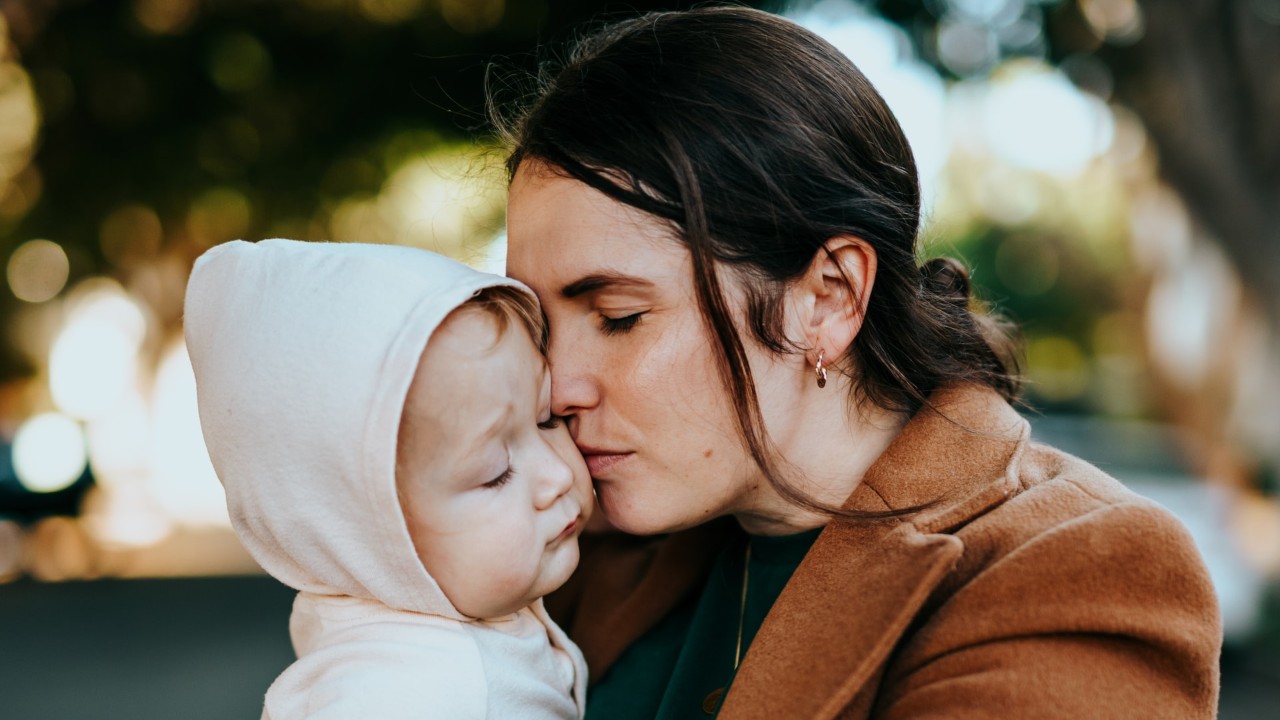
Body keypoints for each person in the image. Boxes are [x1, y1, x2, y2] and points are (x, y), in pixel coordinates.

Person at [496, 6, 1222, 719]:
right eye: (539, 325)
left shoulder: (1075, 571)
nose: (555, 386)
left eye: (619, 317)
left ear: (829, 298)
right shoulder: (568, 539)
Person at [183, 239, 590, 719]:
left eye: (546, 419)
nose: (559, 473)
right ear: (364, 535)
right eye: (495, 474)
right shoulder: (413, 696)